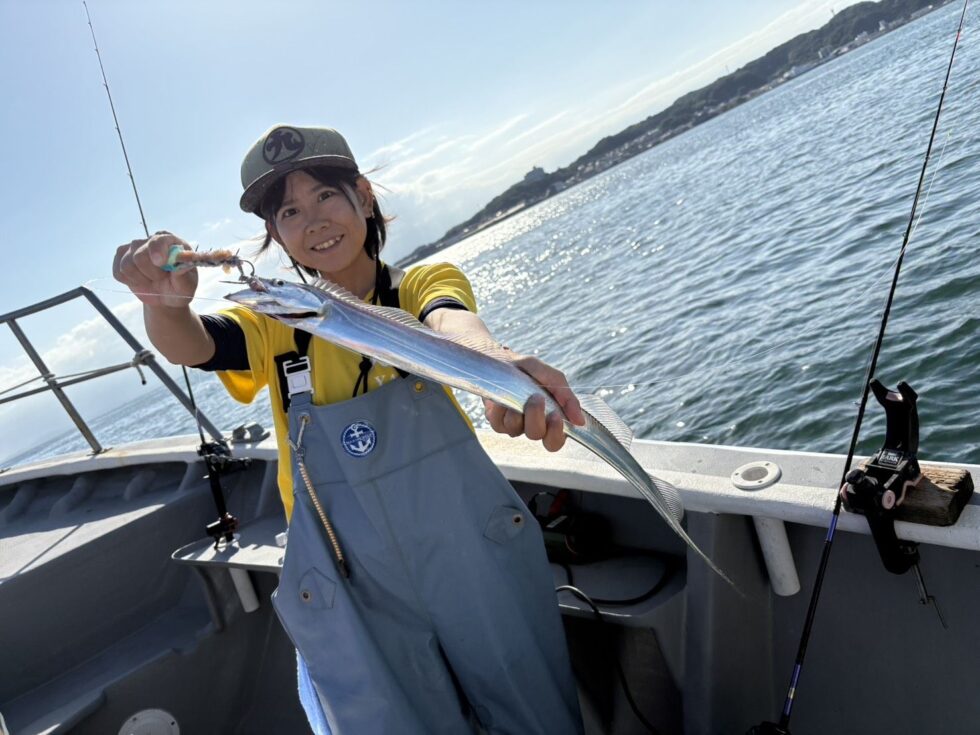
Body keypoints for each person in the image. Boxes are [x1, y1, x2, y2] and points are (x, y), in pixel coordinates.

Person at [113, 124, 585, 735]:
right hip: (351, 578)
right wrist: (163, 305)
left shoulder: (414, 287)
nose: (312, 221)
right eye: (288, 211)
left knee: (535, 715)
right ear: (274, 236)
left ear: (364, 196)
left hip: (468, 557)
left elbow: (451, 322)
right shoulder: (276, 320)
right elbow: (195, 345)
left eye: (326, 197)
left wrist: (498, 366)